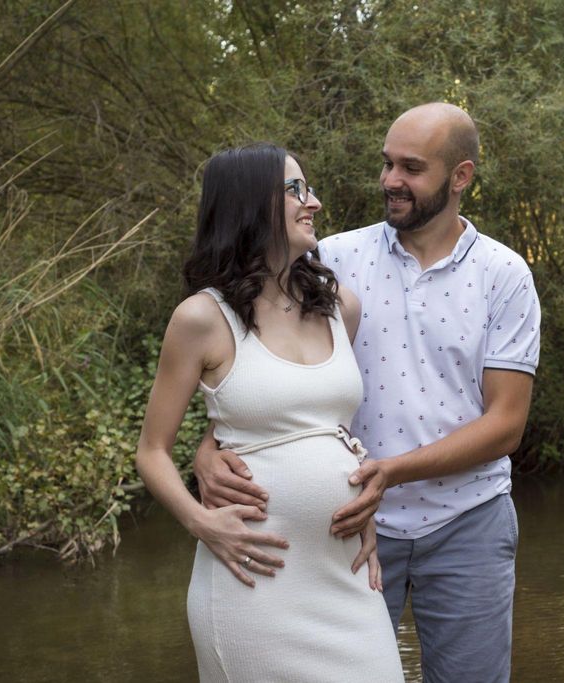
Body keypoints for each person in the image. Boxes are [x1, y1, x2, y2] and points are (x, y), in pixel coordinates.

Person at [194, 104, 540, 682]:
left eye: (411, 168)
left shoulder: (504, 276)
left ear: (460, 177)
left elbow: (506, 425)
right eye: (386, 165)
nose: (390, 182)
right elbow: (258, 376)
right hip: (338, 528)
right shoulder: (329, 261)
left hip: (468, 524)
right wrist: (210, 447)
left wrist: (390, 472)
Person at [135, 143, 405, 682]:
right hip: (254, 578)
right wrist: (202, 522)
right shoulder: (201, 319)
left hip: (346, 574)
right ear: (250, 205)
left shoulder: (339, 308)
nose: (316, 202)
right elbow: (152, 451)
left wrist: (359, 496)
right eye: (296, 190)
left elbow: (316, 428)